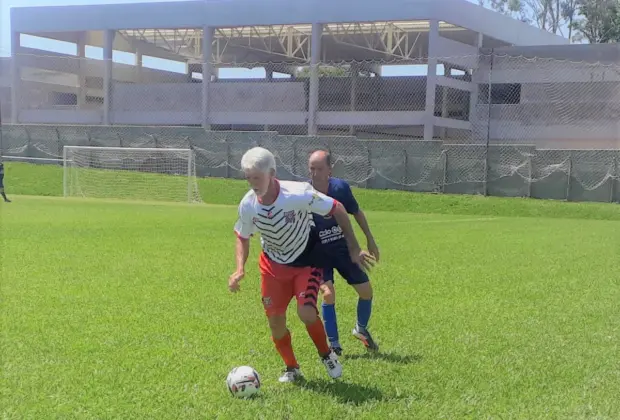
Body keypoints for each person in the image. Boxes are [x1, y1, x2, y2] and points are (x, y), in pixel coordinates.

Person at [228, 146, 370, 383]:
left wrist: (354, 246)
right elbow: (242, 235)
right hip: (273, 267)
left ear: (272, 173)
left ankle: (327, 355)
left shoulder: (298, 194)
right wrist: (240, 268)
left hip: (307, 261)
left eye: (257, 177)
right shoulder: (248, 204)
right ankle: (292, 368)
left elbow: (338, 208)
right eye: (249, 178)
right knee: (275, 323)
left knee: (306, 312)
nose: (253, 183)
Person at [308, 150, 379, 355]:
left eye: (319, 169)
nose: (314, 173)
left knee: (366, 292)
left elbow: (356, 212)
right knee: (328, 294)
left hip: (343, 248)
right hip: (318, 253)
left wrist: (369, 240)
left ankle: (360, 328)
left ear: (329, 169)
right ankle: (334, 345)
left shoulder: (340, 188)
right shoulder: (304, 194)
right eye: (311, 168)